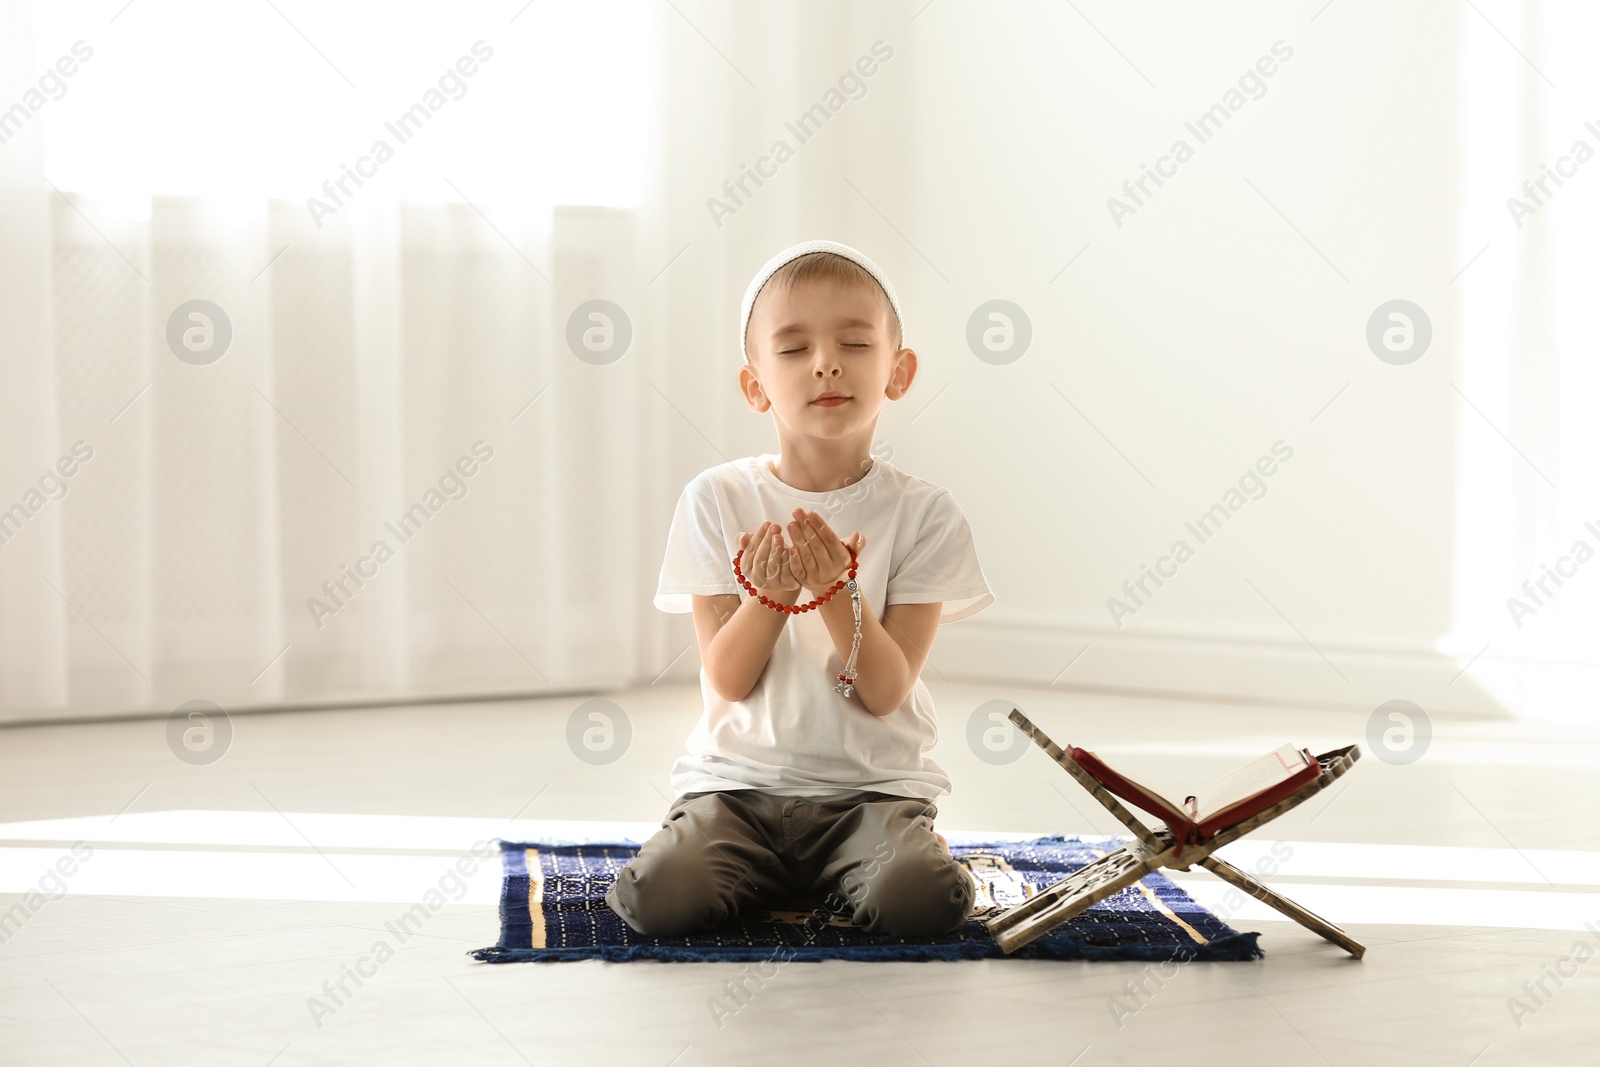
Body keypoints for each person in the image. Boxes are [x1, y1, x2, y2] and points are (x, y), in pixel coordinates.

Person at [605, 240, 996, 939]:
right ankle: (753, 866)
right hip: (736, 792)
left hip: (870, 795)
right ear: (754, 384)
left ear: (899, 371)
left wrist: (836, 590)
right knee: (657, 901)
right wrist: (770, 598)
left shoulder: (925, 513)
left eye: (854, 341)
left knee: (920, 904)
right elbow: (728, 678)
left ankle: (881, 858)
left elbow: (882, 690)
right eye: (792, 349)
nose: (826, 362)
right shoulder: (716, 499)